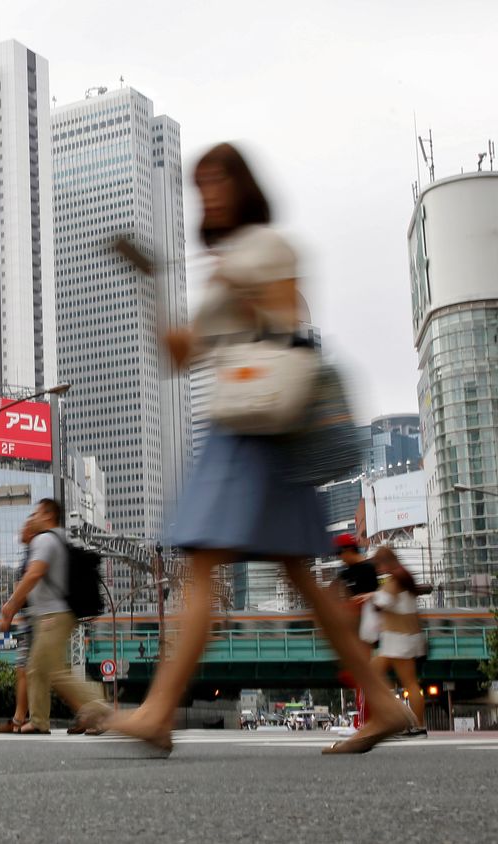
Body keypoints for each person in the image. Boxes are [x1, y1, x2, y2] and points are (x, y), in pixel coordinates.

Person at [104, 143, 411, 755]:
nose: (208, 192)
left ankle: (159, 711)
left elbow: (286, 316)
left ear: (242, 185)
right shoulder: (227, 262)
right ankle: (382, 704)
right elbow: (180, 354)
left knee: (202, 564)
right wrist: (152, 286)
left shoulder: (266, 248)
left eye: (216, 180)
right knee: (298, 574)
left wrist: (232, 282)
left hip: (255, 426)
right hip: (247, 425)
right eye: (201, 184)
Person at [0, 499, 109, 736]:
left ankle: (99, 707)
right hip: (53, 615)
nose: (33, 517)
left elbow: (34, 573)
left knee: (48, 670)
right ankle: (39, 720)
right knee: (40, 670)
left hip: (52, 615)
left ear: (48, 515)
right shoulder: (57, 539)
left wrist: (11, 604)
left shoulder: (45, 539)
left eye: (37, 513)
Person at [369, 547, 430, 736]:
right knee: (372, 674)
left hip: (399, 640)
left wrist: (369, 596)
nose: (377, 568)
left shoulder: (395, 580)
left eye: (378, 564)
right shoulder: (403, 577)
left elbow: (381, 602)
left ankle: (416, 725)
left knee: (409, 683)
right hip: (399, 639)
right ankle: (394, 718)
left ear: (385, 562)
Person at [330, 534, 380, 729]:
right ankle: (364, 716)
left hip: (366, 627)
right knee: (355, 674)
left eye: (340, 553)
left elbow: (380, 596)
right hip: (351, 629)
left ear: (349, 550)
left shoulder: (369, 569)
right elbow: (331, 594)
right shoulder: (344, 574)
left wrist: (364, 598)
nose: (340, 558)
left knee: (363, 674)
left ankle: (367, 718)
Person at [0, 517, 36, 734]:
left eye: (25, 525)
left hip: (36, 617)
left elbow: (30, 581)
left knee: (30, 669)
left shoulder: (36, 551)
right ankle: (24, 718)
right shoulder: (31, 552)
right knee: (28, 669)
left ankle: (21, 718)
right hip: (31, 617)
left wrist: (10, 609)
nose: (21, 530)